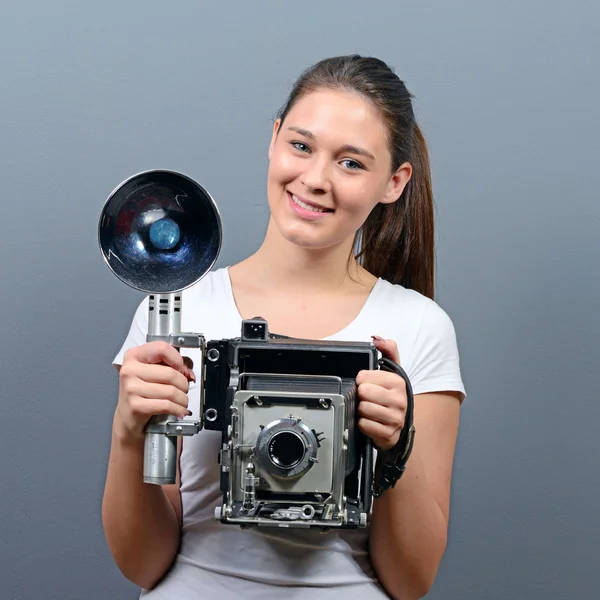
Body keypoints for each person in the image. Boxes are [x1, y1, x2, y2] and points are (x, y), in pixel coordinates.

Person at [102, 54, 466, 600]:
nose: (315, 179)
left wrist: (397, 446)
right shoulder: (177, 311)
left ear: (394, 182)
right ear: (273, 139)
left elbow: (411, 581)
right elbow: (141, 564)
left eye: (351, 163)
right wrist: (128, 432)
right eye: (301, 145)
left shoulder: (418, 326)